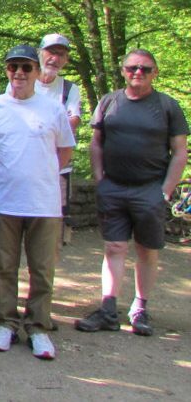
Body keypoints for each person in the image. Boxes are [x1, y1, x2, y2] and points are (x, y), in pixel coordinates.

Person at [75, 49, 188, 337]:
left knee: (146, 250)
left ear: (155, 72)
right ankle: (108, 308)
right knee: (114, 247)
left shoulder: (167, 106)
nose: (138, 73)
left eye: (145, 69)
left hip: (150, 188)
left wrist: (165, 191)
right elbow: (96, 143)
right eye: (132, 68)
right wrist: (100, 178)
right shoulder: (110, 102)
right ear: (124, 70)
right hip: (113, 186)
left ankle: (140, 308)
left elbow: (179, 152)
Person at [0, 45, 75, 360]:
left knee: (42, 268)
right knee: (5, 266)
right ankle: (6, 322)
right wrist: (9, 174)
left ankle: (38, 327)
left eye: (25, 67)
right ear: (6, 71)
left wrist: (39, 175)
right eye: (12, 67)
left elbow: (64, 152)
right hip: (5, 200)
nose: (19, 73)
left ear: (36, 71)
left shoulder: (52, 108)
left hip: (44, 203)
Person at [35, 34, 83, 242]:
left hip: (58, 166)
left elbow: (73, 121)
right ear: (40, 54)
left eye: (60, 54)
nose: (54, 58)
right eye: (50, 52)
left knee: (55, 223)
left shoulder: (70, 89)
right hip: (27, 164)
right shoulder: (23, 81)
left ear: (65, 60)